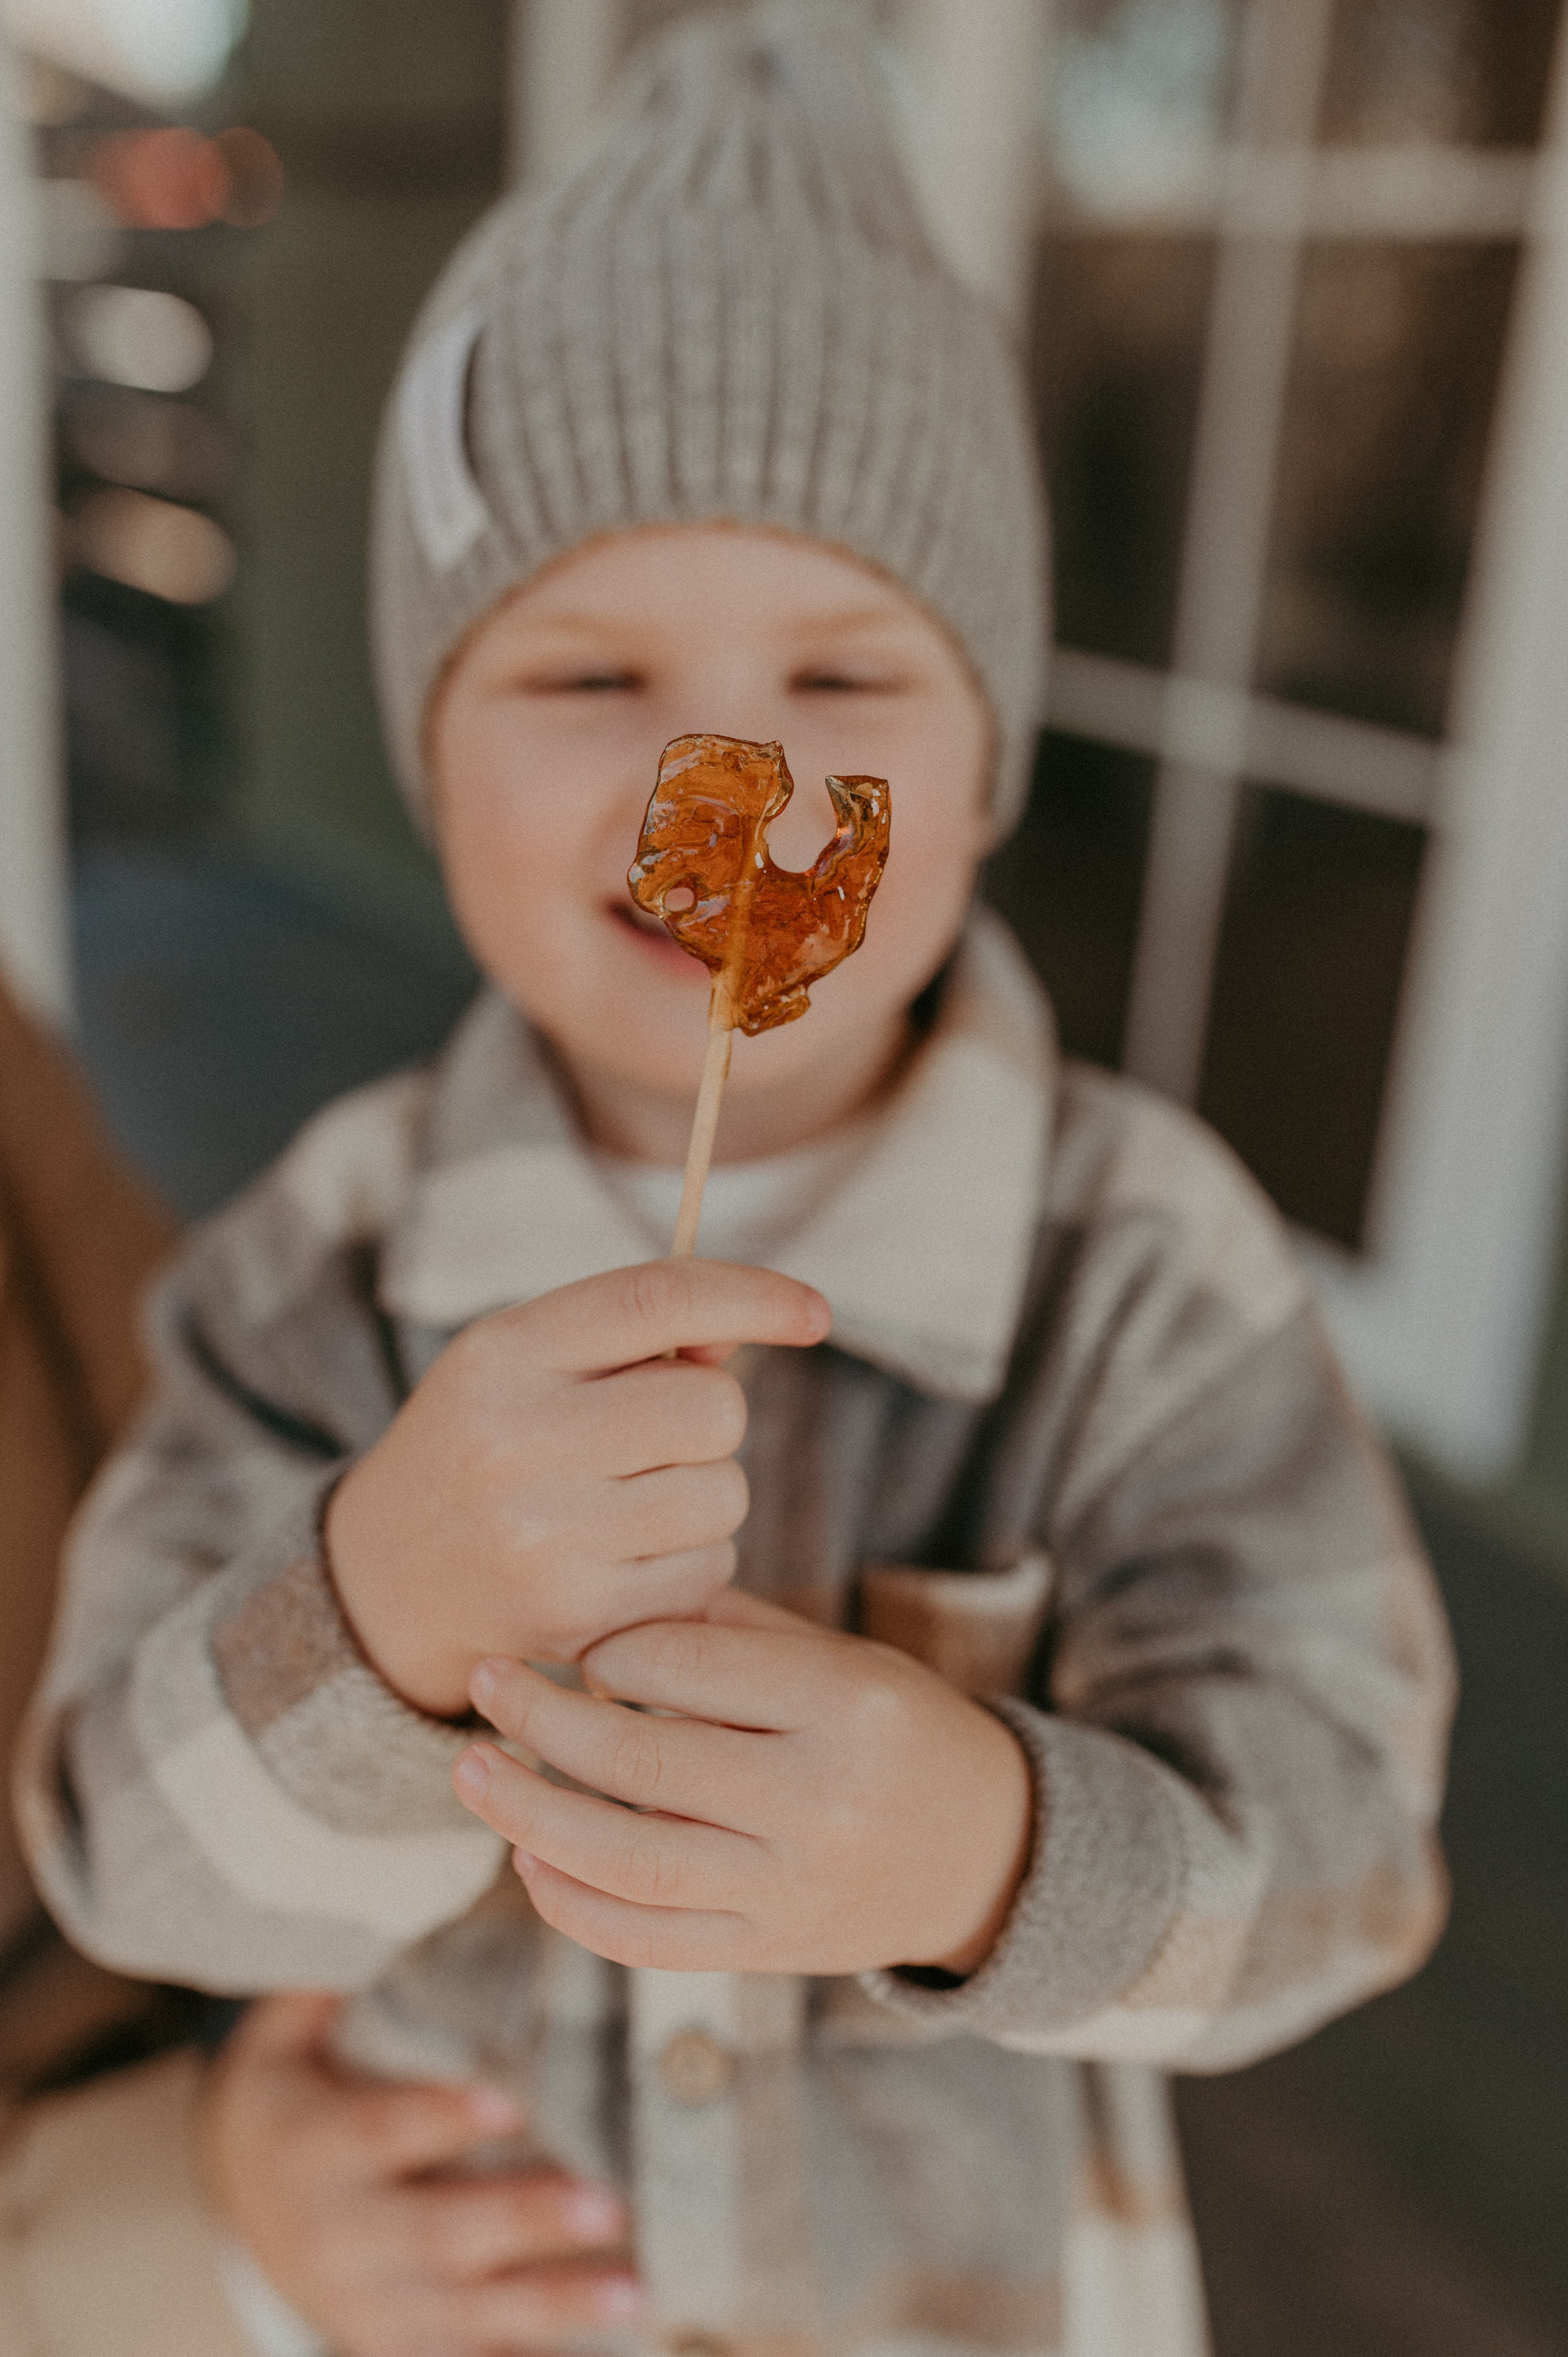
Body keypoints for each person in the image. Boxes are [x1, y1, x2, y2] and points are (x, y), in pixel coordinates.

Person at [13, 11, 1456, 2356]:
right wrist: (375, 1609)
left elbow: (1350, 1862)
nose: (734, 773)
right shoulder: (317, 1265)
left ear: (982, 776)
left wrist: (992, 1848)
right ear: (424, 748)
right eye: (587, 677)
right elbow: (131, 1869)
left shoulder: (1146, 1271)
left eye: (847, 676)